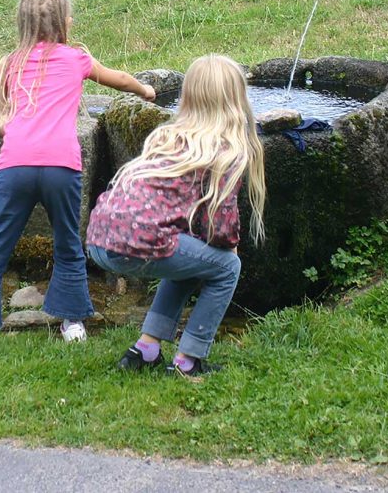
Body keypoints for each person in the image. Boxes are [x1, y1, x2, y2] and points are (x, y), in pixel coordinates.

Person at [0, 0, 155, 353]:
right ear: (63, 23)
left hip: (15, 167)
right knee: (68, 243)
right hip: (61, 167)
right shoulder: (76, 59)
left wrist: (15, 131)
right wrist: (145, 91)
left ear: (23, 24)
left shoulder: (11, 64)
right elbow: (119, 79)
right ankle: (72, 323)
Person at [86, 54, 266, 377]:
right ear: (235, 100)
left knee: (187, 254)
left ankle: (145, 349)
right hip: (136, 243)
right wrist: (228, 247)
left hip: (100, 236)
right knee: (226, 267)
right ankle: (189, 361)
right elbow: (221, 226)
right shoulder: (223, 149)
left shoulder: (167, 136)